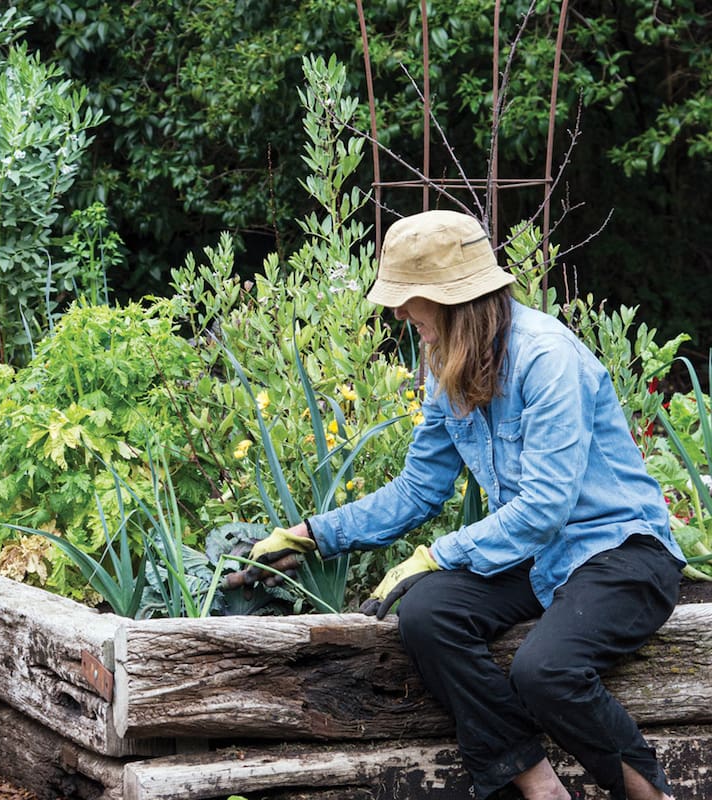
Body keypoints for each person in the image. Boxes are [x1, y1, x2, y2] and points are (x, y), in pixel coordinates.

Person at [229, 209, 685, 800]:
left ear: (450, 299)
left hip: (621, 550)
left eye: (407, 298)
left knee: (545, 671)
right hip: (538, 551)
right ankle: (539, 786)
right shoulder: (444, 364)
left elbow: (546, 506)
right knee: (427, 615)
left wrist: (436, 555)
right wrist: (314, 533)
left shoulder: (547, 360)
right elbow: (418, 489)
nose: (396, 314)